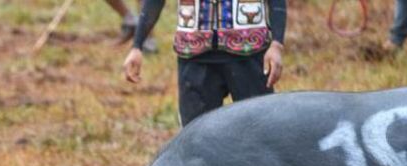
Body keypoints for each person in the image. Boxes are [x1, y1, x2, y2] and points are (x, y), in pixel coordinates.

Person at [122, 0, 286, 127]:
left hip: (249, 52)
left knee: (260, 132)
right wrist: (137, 46)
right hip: (195, 56)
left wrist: (277, 44)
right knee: (194, 140)